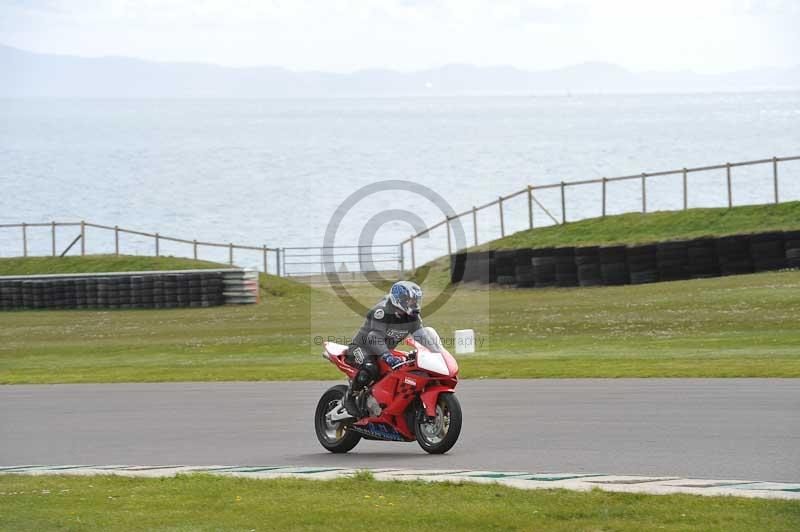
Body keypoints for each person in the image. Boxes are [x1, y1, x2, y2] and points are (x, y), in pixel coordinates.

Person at [343, 280, 423, 417]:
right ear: (400, 300)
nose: (414, 304)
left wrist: (436, 351)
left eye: (416, 300)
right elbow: (374, 337)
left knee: (407, 369)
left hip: (383, 352)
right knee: (370, 368)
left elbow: (422, 336)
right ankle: (350, 397)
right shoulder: (382, 311)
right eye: (410, 300)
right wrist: (387, 356)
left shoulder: (412, 318)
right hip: (361, 348)